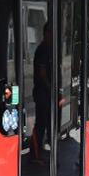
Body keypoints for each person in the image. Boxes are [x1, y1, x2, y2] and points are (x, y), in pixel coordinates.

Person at [32, 22, 53, 161]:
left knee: (43, 122)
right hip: (42, 91)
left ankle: (39, 150)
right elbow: (42, 72)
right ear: (46, 33)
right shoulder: (43, 49)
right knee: (41, 123)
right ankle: (36, 153)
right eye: (51, 33)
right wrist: (50, 87)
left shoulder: (47, 48)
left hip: (44, 91)